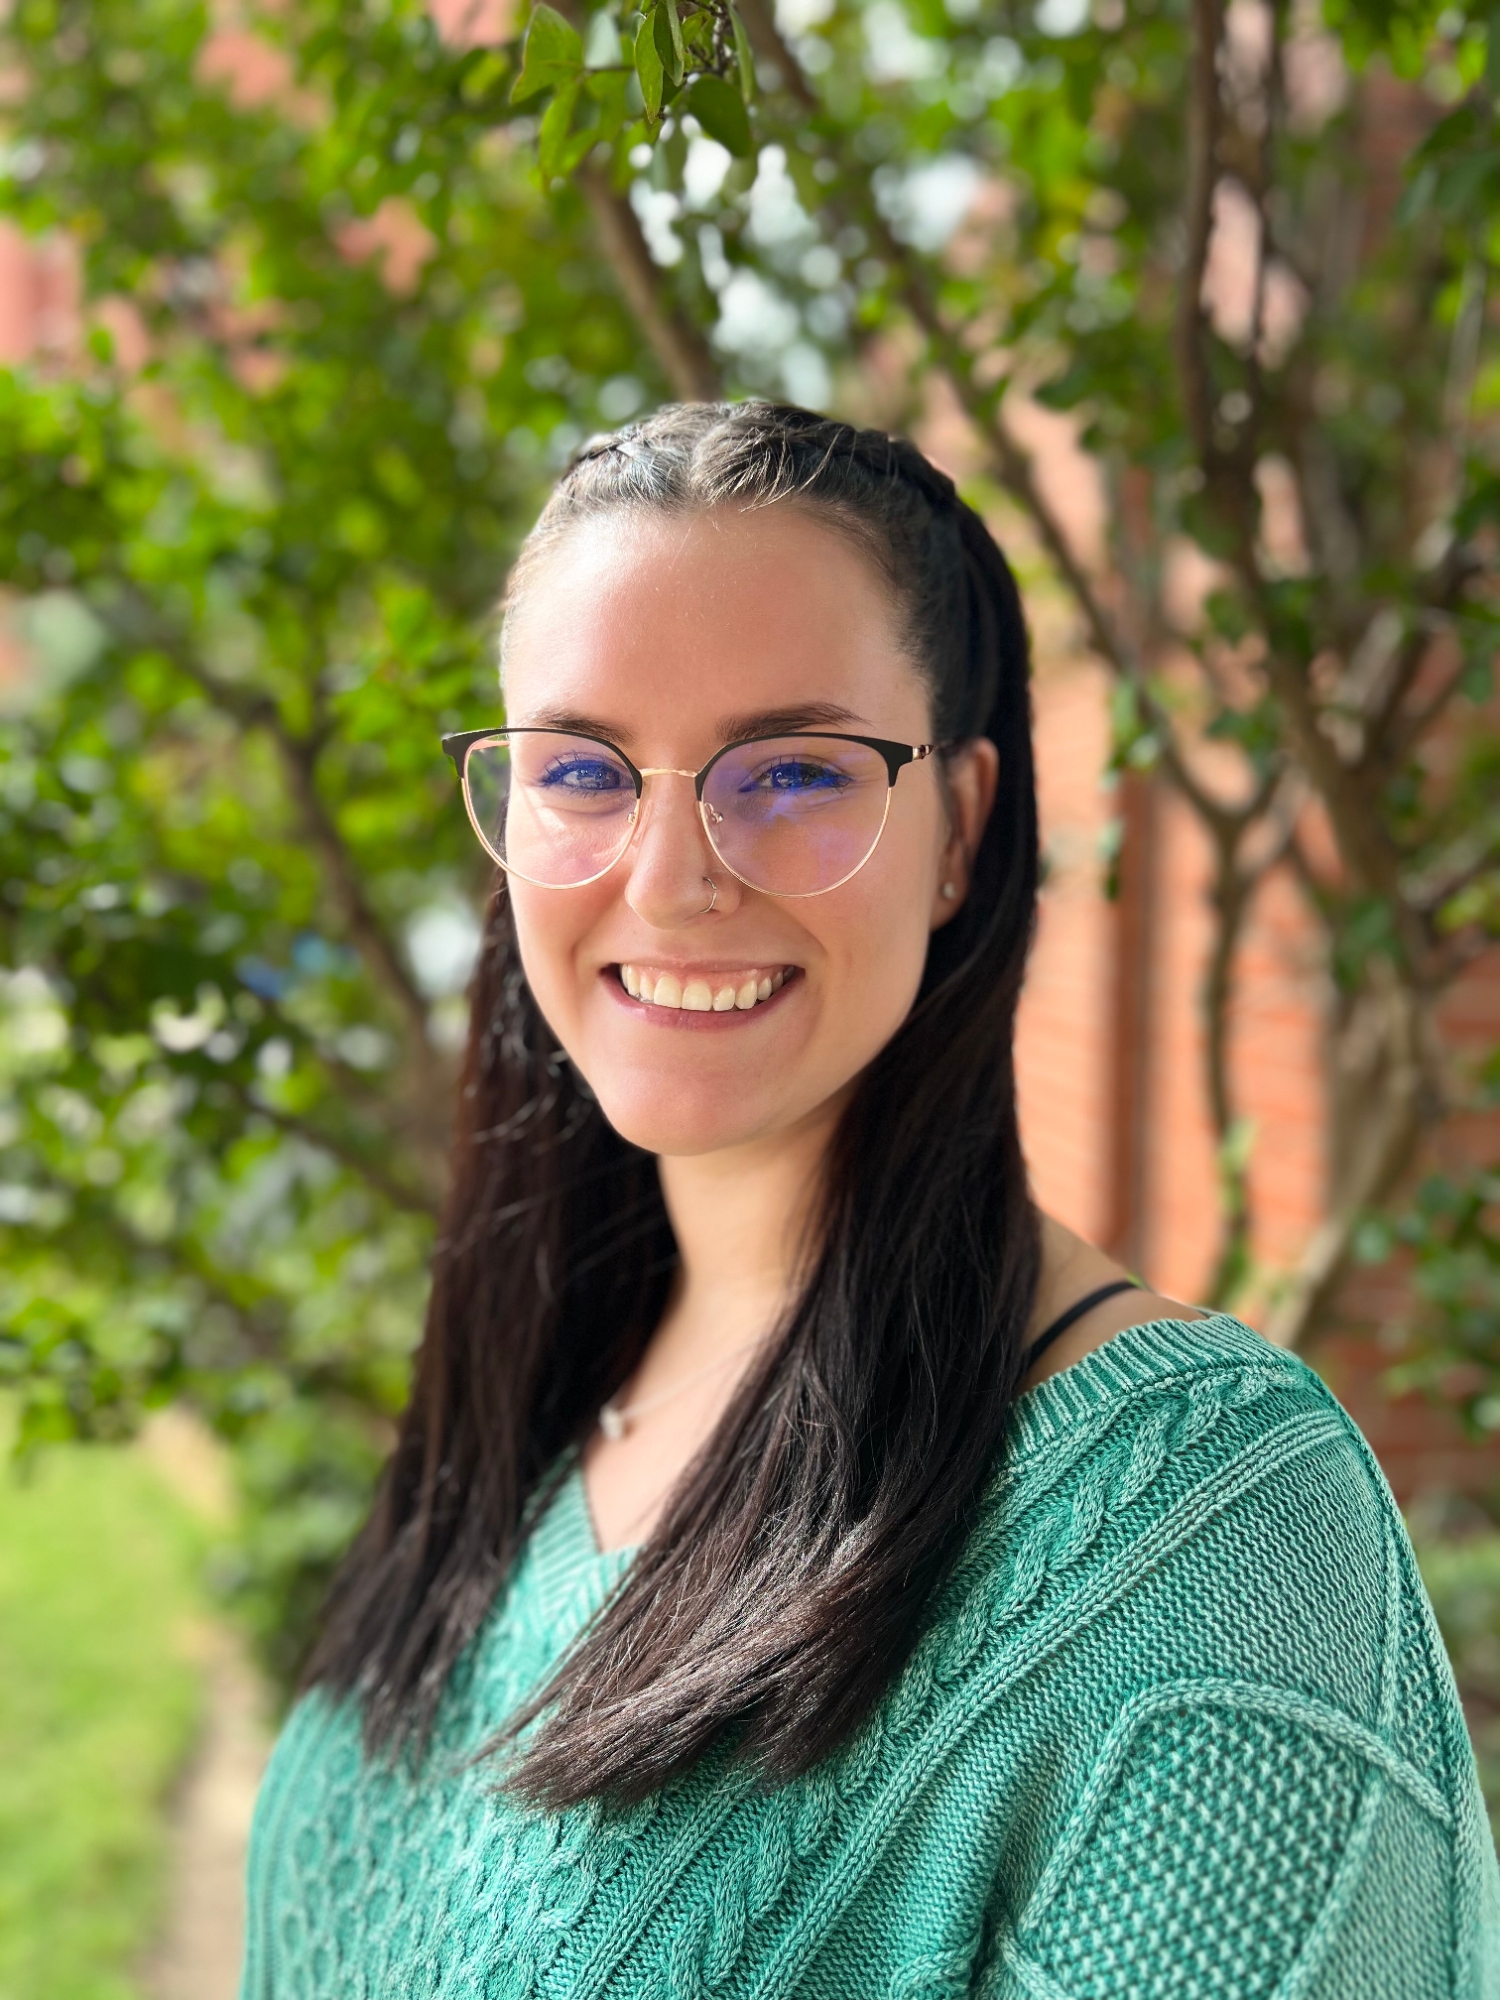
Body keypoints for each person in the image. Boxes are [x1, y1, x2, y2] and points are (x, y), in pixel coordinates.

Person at [240, 402, 1497, 1999]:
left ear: (962, 828)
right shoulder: (552, 1376)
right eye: (581, 768)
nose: (672, 877)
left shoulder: (1211, 1542)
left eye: (792, 773)